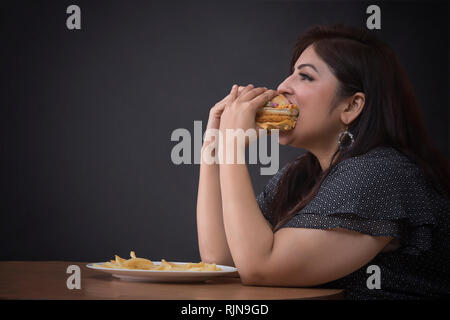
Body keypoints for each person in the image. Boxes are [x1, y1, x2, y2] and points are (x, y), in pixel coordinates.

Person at [196, 24, 450, 299]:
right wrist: (212, 149)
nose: (283, 87)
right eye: (291, 73)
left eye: (305, 76)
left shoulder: (381, 173)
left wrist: (234, 148)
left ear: (351, 106)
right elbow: (221, 259)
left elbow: (260, 267)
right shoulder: (301, 175)